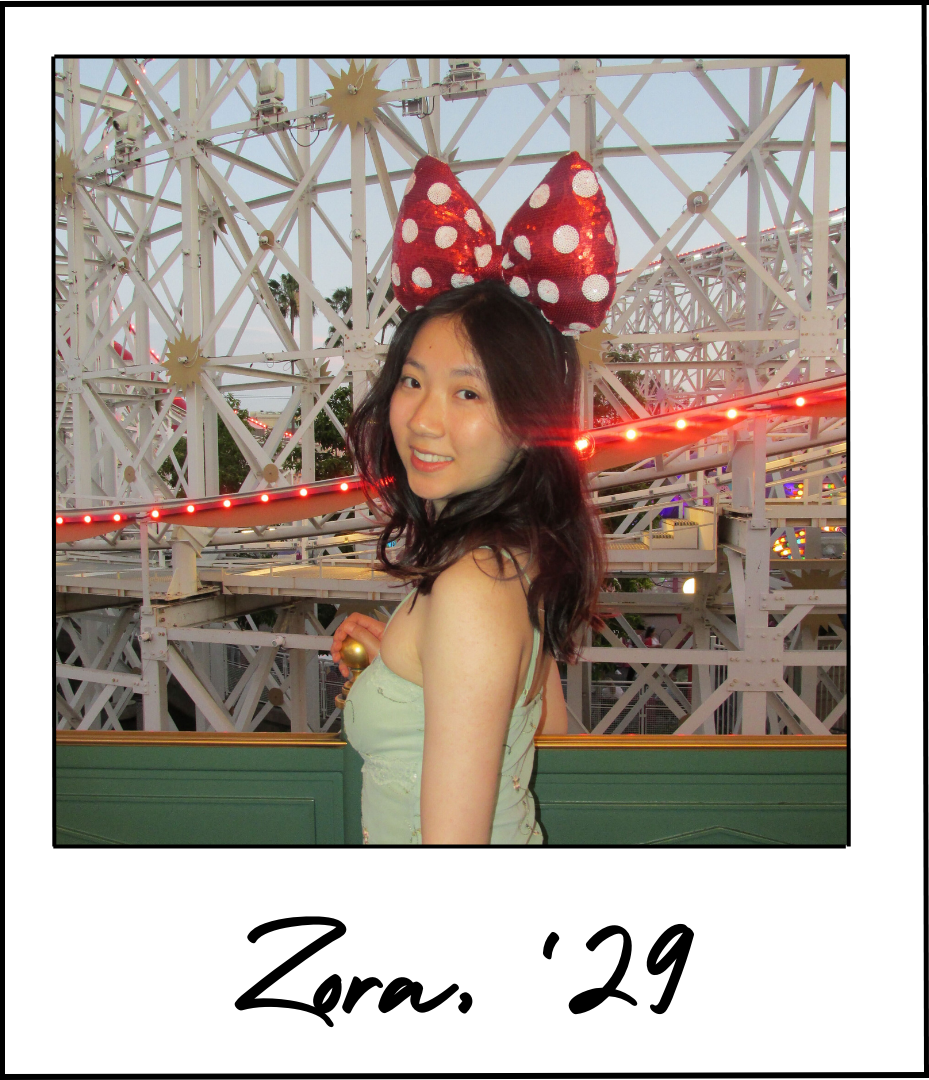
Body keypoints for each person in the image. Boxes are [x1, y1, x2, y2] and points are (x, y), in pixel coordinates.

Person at [330, 281, 606, 844]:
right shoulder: (513, 556)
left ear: (529, 426)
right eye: (412, 381)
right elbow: (544, 724)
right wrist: (404, 670)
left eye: (468, 393)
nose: (423, 420)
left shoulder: (472, 587)